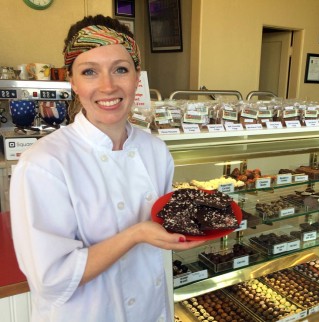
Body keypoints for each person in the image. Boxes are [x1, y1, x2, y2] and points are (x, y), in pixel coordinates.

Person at [10, 14, 203, 322]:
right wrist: (135, 234)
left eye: (121, 69)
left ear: (137, 77)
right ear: (72, 82)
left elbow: (164, 227)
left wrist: (192, 227)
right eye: (90, 72)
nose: (108, 86)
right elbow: (52, 280)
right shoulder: (44, 163)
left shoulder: (154, 150)